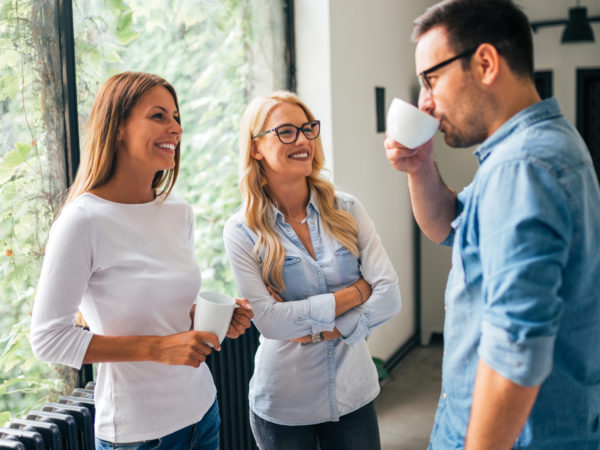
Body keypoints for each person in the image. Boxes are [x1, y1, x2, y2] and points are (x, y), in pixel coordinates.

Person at [384, 0, 600, 448]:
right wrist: (419, 167)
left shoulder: (522, 167)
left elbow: (513, 357)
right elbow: (448, 226)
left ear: (485, 63)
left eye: (432, 78)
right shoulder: (531, 149)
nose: (425, 101)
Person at [30, 71, 254, 450]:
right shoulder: (82, 221)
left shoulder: (177, 211)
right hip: (138, 435)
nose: (175, 129)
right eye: (159, 116)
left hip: (203, 413)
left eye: (176, 117)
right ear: (117, 127)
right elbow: (48, 339)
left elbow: (166, 309)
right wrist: (157, 348)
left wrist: (212, 316)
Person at [223, 91, 402, 450]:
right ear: (256, 147)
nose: (303, 139)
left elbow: (390, 297)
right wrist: (354, 294)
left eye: (307, 129)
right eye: (286, 132)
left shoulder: (347, 209)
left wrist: (317, 330)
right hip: (285, 403)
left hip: (353, 394)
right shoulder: (242, 231)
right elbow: (271, 323)